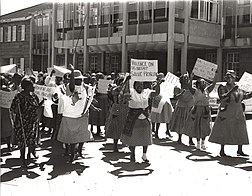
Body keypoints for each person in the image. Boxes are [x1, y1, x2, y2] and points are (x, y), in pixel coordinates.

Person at [57, 66, 99, 162]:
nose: (80, 81)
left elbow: (87, 99)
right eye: (77, 80)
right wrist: (72, 72)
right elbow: (72, 87)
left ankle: (78, 152)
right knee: (71, 138)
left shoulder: (84, 88)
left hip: (80, 116)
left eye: (80, 79)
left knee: (80, 136)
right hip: (70, 116)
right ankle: (71, 154)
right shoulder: (69, 87)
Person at [209, 70, 252, 157]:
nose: (228, 79)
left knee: (240, 129)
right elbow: (222, 98)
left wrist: (251, 93)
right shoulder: (222, 87)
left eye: (230, 77)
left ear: (234, 78)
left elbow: (245, 96)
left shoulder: (239, 88)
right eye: (227, 77)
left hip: (238, 111)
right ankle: (222, 150)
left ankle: (240, 150)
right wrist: (231, 91)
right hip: (227, 111)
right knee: (225, 129)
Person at [121, 78, 160, 163]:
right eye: (138, 85)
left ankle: (144, 155)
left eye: (141, 85)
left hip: (145, 117)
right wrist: (126, 81)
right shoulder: (131, 92)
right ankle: (132, 154)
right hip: (134, 118)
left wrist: (158, 84)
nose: (140, 87)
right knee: (133, 137)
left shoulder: (147, 92)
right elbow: (123, 93)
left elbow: (156, 93)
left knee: (146, 137)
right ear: (134, 86)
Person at [181, 71, 217, 150]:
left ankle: (203, 142)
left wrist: (215, 75)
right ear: (198, 84)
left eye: (204, 82)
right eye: (202, 82)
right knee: (197, 126)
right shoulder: (195, 91)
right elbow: (189, 86)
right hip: (197, 110)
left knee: (205, 126)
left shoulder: (207, 90)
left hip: (205, 110)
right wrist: (191, 77)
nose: (204, 83)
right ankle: (197, 143)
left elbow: (213, 84)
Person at [10, 78, 42, 167]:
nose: (33, 86)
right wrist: (17, 108)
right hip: (22, 122)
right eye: (31, 85)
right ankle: (23, 158)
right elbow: (13, 109)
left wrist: (43, 102)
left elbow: (36, 106)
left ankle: (29, 154)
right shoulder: (19, 96)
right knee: (22, 140)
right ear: (27, 87)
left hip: (32, 122)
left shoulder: (33, 96)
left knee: (31, 140)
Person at [105, 75, 130, 152]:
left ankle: (127, 143)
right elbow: (117, 90)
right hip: (117, 108)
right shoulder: (114, 89)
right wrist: (125, 81)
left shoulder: (128, 90)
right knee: (116, 127)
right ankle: (115, 146)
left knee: (126, 127)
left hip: (126, 109)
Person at [169, 73, 195, 145]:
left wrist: (192, 78)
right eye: (184, 78)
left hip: (189, 107)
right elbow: (175, 97)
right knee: (180, 123)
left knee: (190, 123)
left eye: (187, 78)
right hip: (181, 107)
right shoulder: (177, 87)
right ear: (181, 80)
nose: (186, 80)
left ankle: (190, 139)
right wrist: (181, 93)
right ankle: (179, 138)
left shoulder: (191, 88)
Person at [150, 73, 173, 139]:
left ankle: (167, 130)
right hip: (158, 102)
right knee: (158, 118)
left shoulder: (166, 83)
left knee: (167, 116)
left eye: (162, 77)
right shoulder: (155, 83)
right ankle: (156, 131)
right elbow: (154, 89)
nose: (161, 78)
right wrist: (158, 83)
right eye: (160, 77)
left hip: (166, 101)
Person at [1, 75, 14, 152]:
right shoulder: (7, 89)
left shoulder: (6, 90)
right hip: (6, 111)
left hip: (6, 111)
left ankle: (9, 145)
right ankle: (9, 145)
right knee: (8, 128)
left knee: (8, 128)